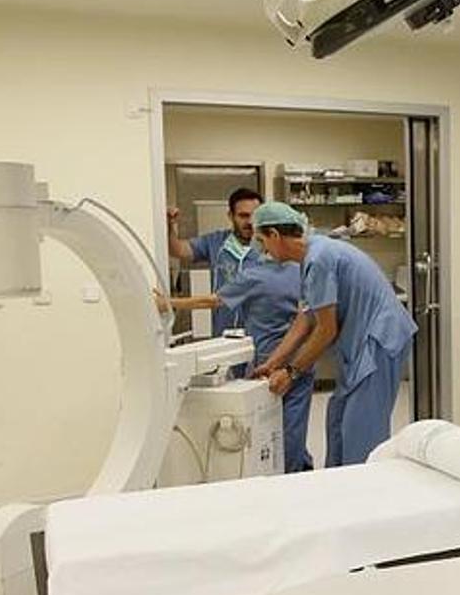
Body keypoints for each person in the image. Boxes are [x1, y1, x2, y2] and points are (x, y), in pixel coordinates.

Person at [250, 202, 417, 467]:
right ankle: (336, 492)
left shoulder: (319, 258)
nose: (263, 250)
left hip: (379, 341)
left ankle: (367, 498)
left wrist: (291, 373)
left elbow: (326, 330)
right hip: (361, 346)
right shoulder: (312, 257)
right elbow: (304, 319)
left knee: (361, 432)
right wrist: (273, 363)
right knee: (337, 422)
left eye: (262, 241)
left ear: (274, 234)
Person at [164, 260, 316, 473]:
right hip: (301, 361)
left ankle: (281, 477)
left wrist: (168, 303)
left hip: (268, 364)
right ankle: (298, 470)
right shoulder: (301, 271)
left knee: (269, 430)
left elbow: (212, 301)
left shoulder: (254, 276)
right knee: (294, 428)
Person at [167, 188, 265, 343]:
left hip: (257, 334)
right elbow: (178, 250)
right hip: (223, 333)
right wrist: (170, 225)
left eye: (255, 216)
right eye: (243, 216)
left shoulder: (270, 248)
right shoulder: (216, 242)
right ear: (230, 216)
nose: (250, 222)